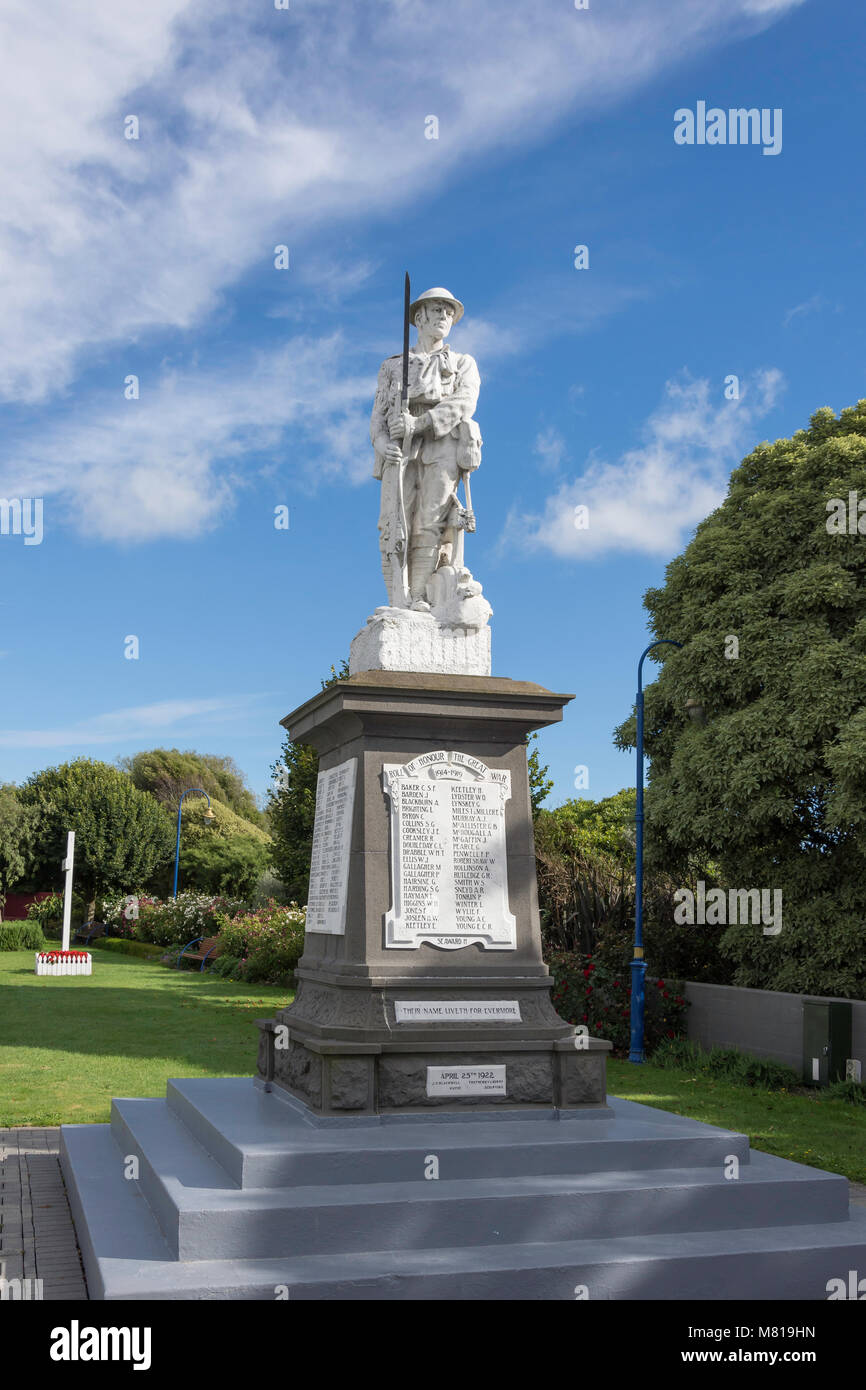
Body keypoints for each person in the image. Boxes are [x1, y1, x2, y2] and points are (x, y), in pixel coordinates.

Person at [370, 287, 482, 609]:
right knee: (393, 522)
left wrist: (420, 424)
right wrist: (381, 444)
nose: (444, 316)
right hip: (399, 448)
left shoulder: (463, 364)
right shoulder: (392, 367)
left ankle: (418, 596)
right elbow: (377, 418)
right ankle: (397, 600)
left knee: (429, 522)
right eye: (436, 310)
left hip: (442, 443)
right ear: (419, 317)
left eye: (448, 312)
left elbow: (464, 404)